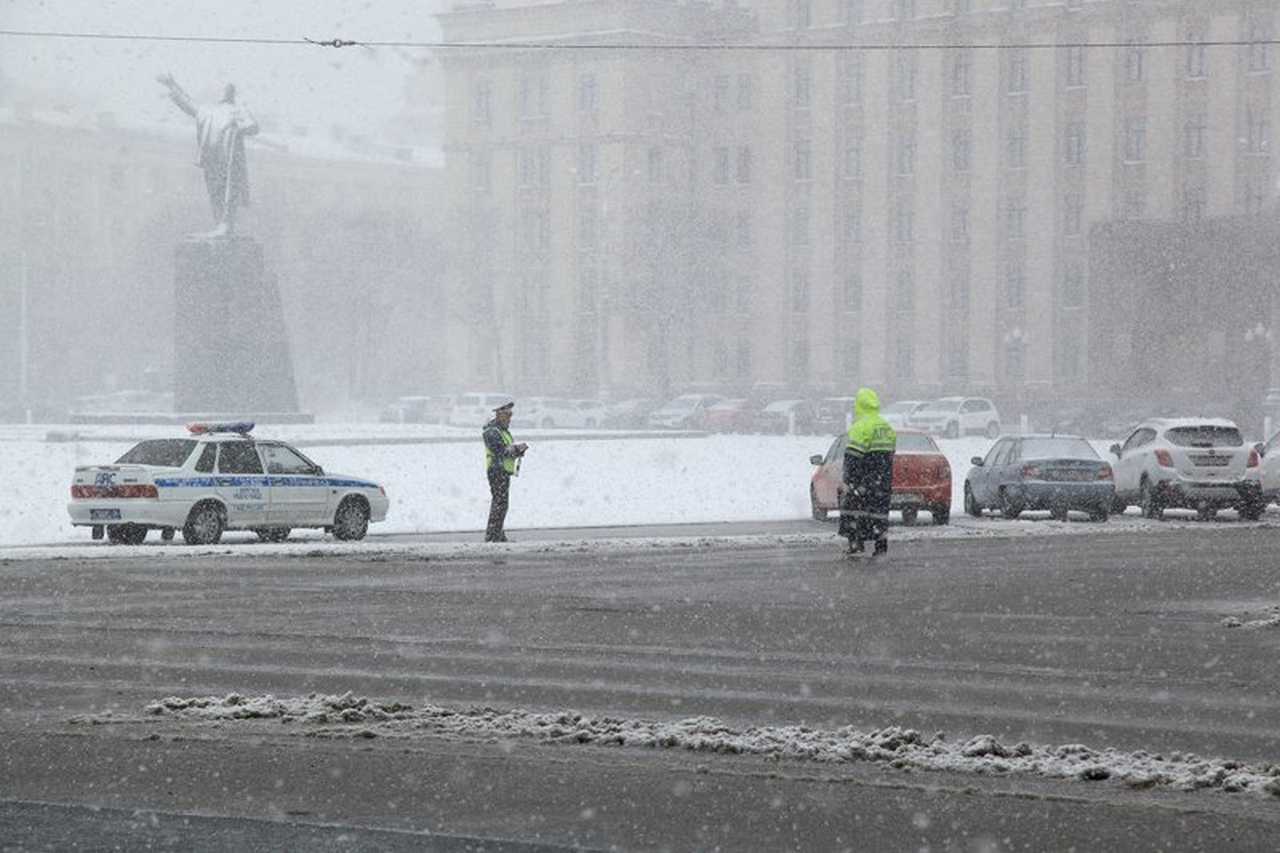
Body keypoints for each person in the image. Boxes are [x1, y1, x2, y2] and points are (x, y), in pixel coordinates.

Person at [157, 74, 259, 236]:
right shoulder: (209, 111)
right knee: (214, 190)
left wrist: (238, 129)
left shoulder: (237, 110)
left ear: (231, 93)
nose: (223, 93)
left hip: (230, 157)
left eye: (226, 90)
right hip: (212, 157)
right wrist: (172, 84)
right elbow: (188, 104)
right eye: (222, 89)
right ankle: (219, 224)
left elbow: (253, 126)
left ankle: (226, 225)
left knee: (229, 189)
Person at [839, 387, 897, 556]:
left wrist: (849, 480)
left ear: (859, 405)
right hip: (882, 481)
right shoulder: (886, 427)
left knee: (853, 511)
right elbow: (891, 454)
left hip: (862, 480)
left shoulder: (860, 426)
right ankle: (881, 547)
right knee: (879, 514)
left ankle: (856, 544)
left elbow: (853, 457)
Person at [483, 401, 528, 542]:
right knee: (499, 503)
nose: (509, 418)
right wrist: (515, 450)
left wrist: (516, 451)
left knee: (501, 504)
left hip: (502, 470)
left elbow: (506, 449)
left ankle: (497, 533)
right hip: (497, 470)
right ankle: (493, 535)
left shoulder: (502, 431)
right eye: (507, 415)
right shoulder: (492, 432)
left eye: (510, 415)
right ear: (499, 415)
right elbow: (500, 450)